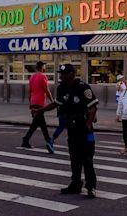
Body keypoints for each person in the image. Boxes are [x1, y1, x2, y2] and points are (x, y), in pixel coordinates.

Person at [33, 64, 99, 198]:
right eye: (60, 73)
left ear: (71, 74)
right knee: (74, 158)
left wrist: (88, 124)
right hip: (72, 128)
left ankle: (91, 186)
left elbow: (93, 108)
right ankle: (75, 184)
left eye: (63, 74)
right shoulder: (62, 88)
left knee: (87, 158)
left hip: (84, 128)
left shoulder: (82, 87)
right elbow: (56, 104)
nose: (61, 76)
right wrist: (40, 110)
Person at [21, 61, 54, 153]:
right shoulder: (43, 76)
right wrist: (52, 101)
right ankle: (48, 141)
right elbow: (46, 90)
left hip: (33, 102)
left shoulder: (32, 77)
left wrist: (30, 105)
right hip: (39, 103)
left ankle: (26, 139)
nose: (45, 68)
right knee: (42, 124)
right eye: (44, 66)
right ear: (42, 67)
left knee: (35, 124)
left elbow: (29, 91)